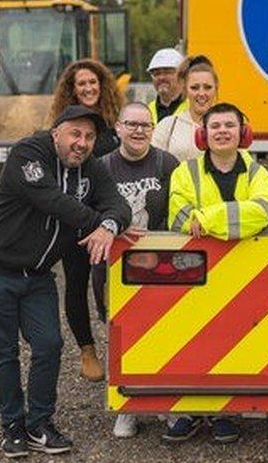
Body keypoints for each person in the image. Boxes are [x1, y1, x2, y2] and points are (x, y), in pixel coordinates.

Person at [0, 105, 130, 457]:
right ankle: (12, 424)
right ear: (56, 133)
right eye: (75, 134)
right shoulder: (28, 153)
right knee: (3, 349)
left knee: (49, 345)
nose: (82, 143)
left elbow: (119, 205)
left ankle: (39, 423)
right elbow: (52, 201)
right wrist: (97, 222)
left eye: (88, 137)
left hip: (38, 274)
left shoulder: (92, 167)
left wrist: (110, 225)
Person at [163, 103, 268, 443]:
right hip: (195, 274)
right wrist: (223, 220)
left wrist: (208, 220)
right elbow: (180, 217)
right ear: (203, 134)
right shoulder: (185, 173)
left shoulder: (259, 173)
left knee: (231, 340)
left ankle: (224, 412)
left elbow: (264, 211)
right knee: (187, 340)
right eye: (216, 126)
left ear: (243, 133)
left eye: (230, 125)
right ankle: (189, 410)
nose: (223, 131)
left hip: (241, 275)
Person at [94, 102, 180, 438]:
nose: (139, 130)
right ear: (117, 127)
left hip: (159, 264)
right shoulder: (101, 167)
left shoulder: (166, 163)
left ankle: (165, 406)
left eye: (145, 125)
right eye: (131, 124)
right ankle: (127, 408)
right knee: (118, 333)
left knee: (163, 332)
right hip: (113, 265)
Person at [48, 59, 125, 382]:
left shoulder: (116, 125)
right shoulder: (63, 128)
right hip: (77, 222)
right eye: (81, 84)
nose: (88, 88)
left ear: (103, 85)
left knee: (112, 286)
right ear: (72, 89)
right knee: (78, 284)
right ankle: (87, 349)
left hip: (112, 218)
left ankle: (120, 346)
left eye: (93, 82)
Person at [151, 60, 219, 162]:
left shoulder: (228, 126)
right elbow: (152, 166)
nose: (201, 93)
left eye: (207, 87)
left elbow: (245, 166)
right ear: (185, 89)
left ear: (216, 88)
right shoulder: (167, 126)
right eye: (194, 88)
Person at [146, 48, 188, 124]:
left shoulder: (193, 109)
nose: (161, 77)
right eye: (157, 74)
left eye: (167, 72)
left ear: (182, 75)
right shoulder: (147, 111)